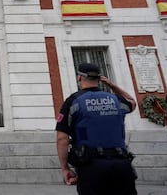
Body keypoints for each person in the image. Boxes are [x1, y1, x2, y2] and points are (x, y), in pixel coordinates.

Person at [55, 62, 138, 195]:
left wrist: (65, 168)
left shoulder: (74, 101)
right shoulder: (115, 100)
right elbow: (132, 102)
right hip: (121, 165)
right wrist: (112, 85)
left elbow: (62, 139)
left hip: (90, 167)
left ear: (79, 78)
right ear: (100, 79)